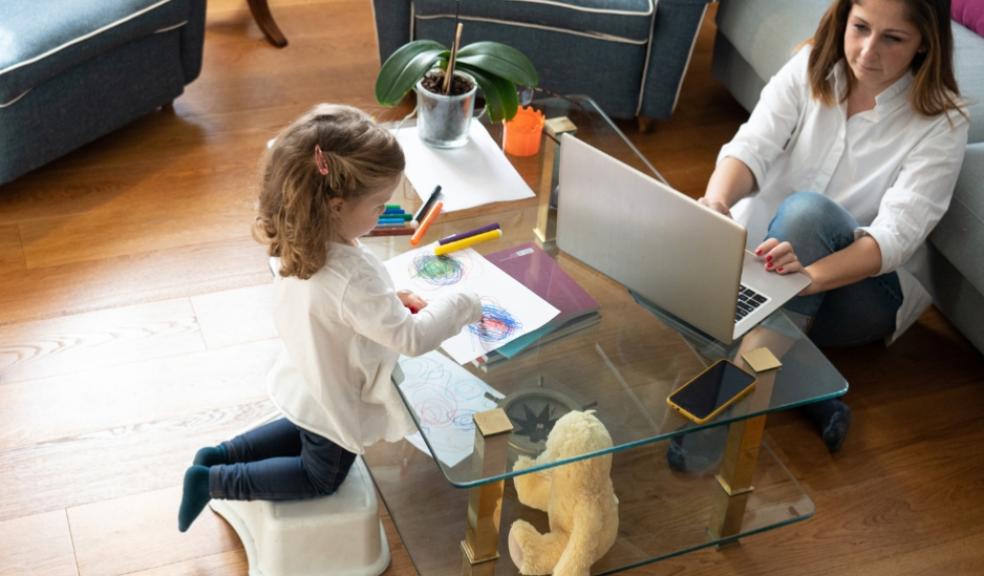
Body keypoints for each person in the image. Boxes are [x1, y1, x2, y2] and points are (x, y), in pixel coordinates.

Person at [177, 104, 482, 532]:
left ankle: (219, 454)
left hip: (307, 372)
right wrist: (466, 303)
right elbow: (410, 339)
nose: (382, 215)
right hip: (335, 390)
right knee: (321, 473)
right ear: (337, 205)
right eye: (379, 206)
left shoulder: (301, 235)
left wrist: (388, 299)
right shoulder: (351, 276)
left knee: (304, 426)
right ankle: (217, 481)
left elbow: (337, 304)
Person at [699, 0, 968, 452]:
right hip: (771, 268)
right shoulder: (809, 66)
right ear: (844, 18)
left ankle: (727, 409)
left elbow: (894, 240)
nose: (867, 51)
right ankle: (805, 387)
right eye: (860, 27)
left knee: (806, 215)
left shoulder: (942, 122)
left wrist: (805, 278)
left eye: (893, 39)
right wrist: (716, 202)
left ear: (924, 44)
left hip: (862, 291)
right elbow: (752, 146)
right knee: (674, 287)